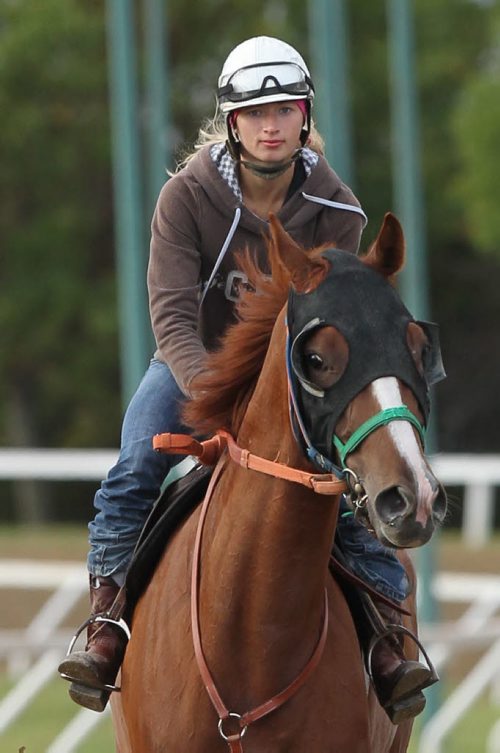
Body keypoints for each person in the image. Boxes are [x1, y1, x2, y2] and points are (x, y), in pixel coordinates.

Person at [58, 35, 435, 723]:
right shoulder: (184, 198)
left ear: (302, 116)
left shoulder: (339, 208)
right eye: (255, 112)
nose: (270, 124)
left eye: (284, 110)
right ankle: (106, 622)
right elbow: (171, 321)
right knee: (137, 461)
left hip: (296, 379)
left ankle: (389, 637)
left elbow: (338, 322)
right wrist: (217, 398)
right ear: (232, 123)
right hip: (189, 369)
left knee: (341, 480)